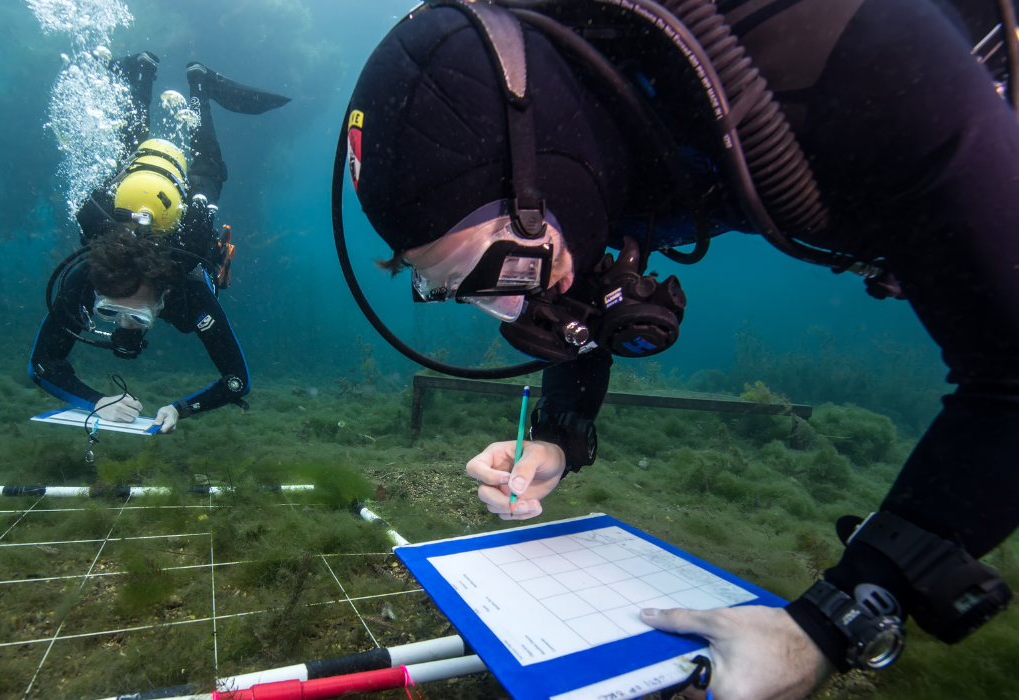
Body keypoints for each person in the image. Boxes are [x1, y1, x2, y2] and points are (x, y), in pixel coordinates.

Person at [339, 1, 1016, 698]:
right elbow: (587, 290)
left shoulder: (856, 59)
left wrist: (833, 623)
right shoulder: (604, 119)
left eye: (497, 273)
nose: (512, 313)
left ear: (547, 163)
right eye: (455, 289)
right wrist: (556, 441)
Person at [30, 52, 288, 433]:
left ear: (163, 297)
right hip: (137, 213)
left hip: (182, 219)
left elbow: (236, 378)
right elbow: (41, 365)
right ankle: (154, 75)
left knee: (205, 172)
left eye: (136, 317)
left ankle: (189, 85)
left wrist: (183, 408)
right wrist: (97, 402)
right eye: (108, 312)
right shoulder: (88, 276)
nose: (123, 325)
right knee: (128, 156)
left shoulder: (189, 290)